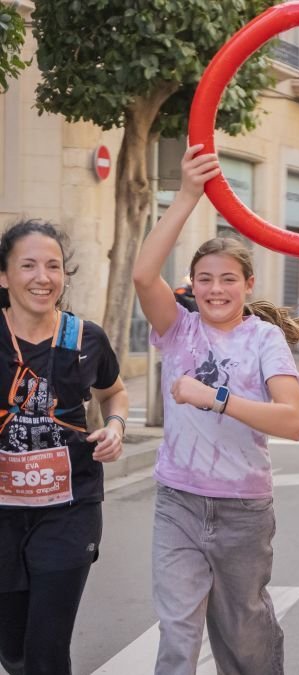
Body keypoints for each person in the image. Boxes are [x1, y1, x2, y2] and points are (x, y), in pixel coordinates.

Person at [133, 145, 299, 675]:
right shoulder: (178, 329)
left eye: (228, 279)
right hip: (179, 502)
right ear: (193, 286)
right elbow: (146, 276)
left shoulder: (263, 339)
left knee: (245, 637)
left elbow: (294, 421)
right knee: (178, 630)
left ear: (248, 285)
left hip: (242, 509)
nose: (216, 289)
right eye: (206, 280)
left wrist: (215, 397)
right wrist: (189, 194)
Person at [0, 220, 128, 675]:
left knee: (47, 651)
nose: (43, 277)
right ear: (4, 275)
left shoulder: (85, 338)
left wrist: (114, 426)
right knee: (13, 650)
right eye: (29, 265)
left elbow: (114, 392)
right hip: (3, 513)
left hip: (70, 508)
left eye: (53, 266)